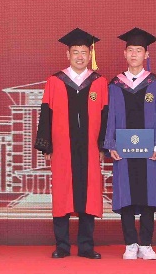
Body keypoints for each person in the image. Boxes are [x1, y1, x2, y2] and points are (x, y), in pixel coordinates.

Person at [34, 28, 109, 259]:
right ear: (67, 54)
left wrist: (103, 145)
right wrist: (46, 145)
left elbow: (106, 115)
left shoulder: (99, 82)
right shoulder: (55, 81)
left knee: (89, 193)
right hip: (62, 147)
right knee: (62, 193)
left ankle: (86, 246)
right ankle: (62, 246)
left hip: (89, 147)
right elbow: (45, 114)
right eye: (75, 52)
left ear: (90, 55)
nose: (79, 56)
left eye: (84, 52)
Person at [105, 28, 156, 261]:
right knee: (125, 194)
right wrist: (111, 144)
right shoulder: (115, 85)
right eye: (131, 50)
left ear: (146, 54)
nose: (134, 54)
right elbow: (110, 117)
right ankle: (130, 243)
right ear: (124, 54)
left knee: (148, 195)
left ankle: (146, 243)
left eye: (139, 50)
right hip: (123, 150)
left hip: (149, 150)